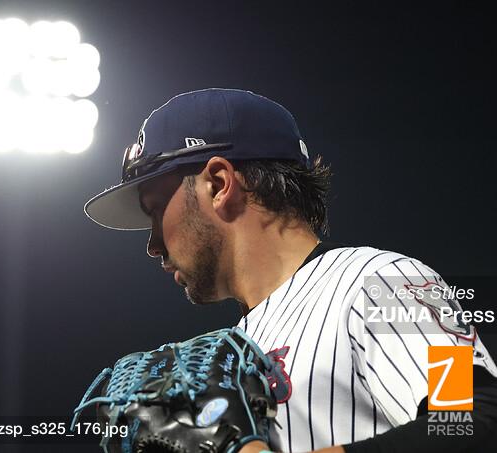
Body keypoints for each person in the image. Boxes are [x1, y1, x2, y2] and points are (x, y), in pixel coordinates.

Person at [84, 88, 497, 452]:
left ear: (218, 183)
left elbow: (474, 420)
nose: (153, 244)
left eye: (156, 210)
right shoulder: (229, 353)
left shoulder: (383, 281)